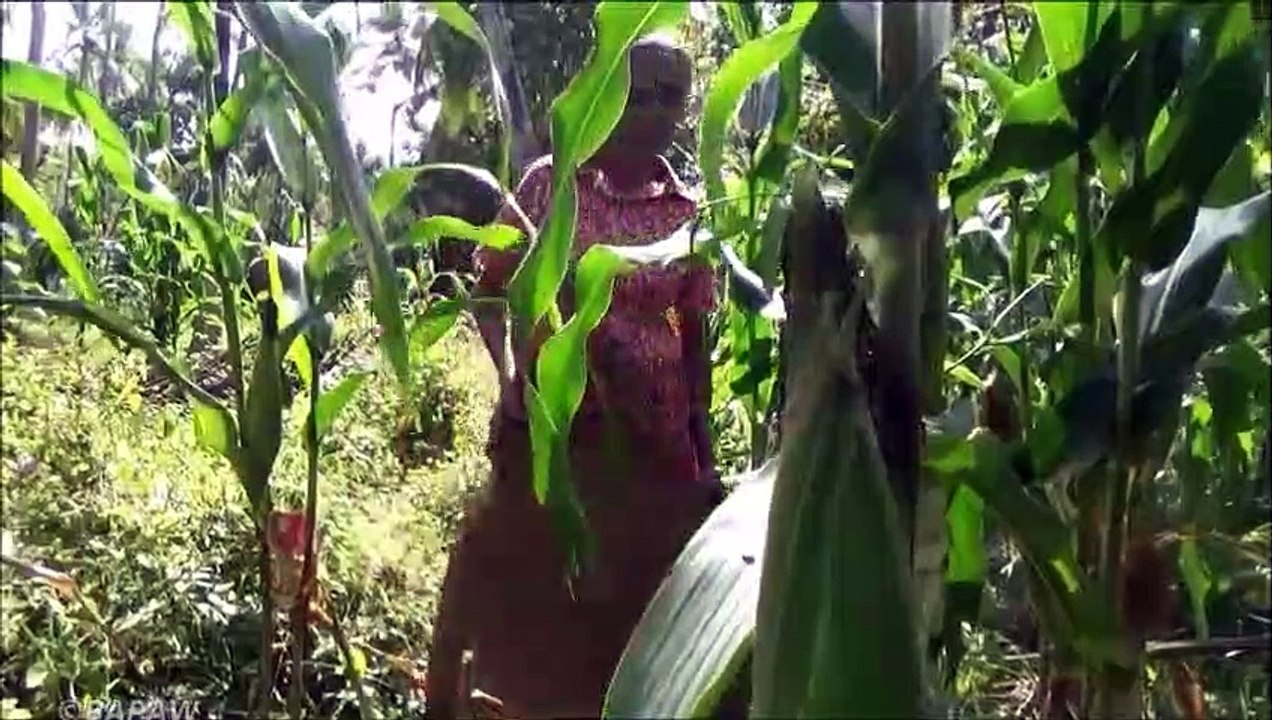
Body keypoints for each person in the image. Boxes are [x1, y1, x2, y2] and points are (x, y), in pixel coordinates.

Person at [424, 35, 725, 719]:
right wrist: (511, 381)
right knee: (535, 623)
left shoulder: (684, 214)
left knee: (637, 630)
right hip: (558, 442)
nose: (654, 112)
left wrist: (702, 442)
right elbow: (492, 293)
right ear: (609, 97)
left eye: (670, 97)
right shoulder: (551, 186)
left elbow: (692, 332)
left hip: (655, 452)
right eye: (639, 93)